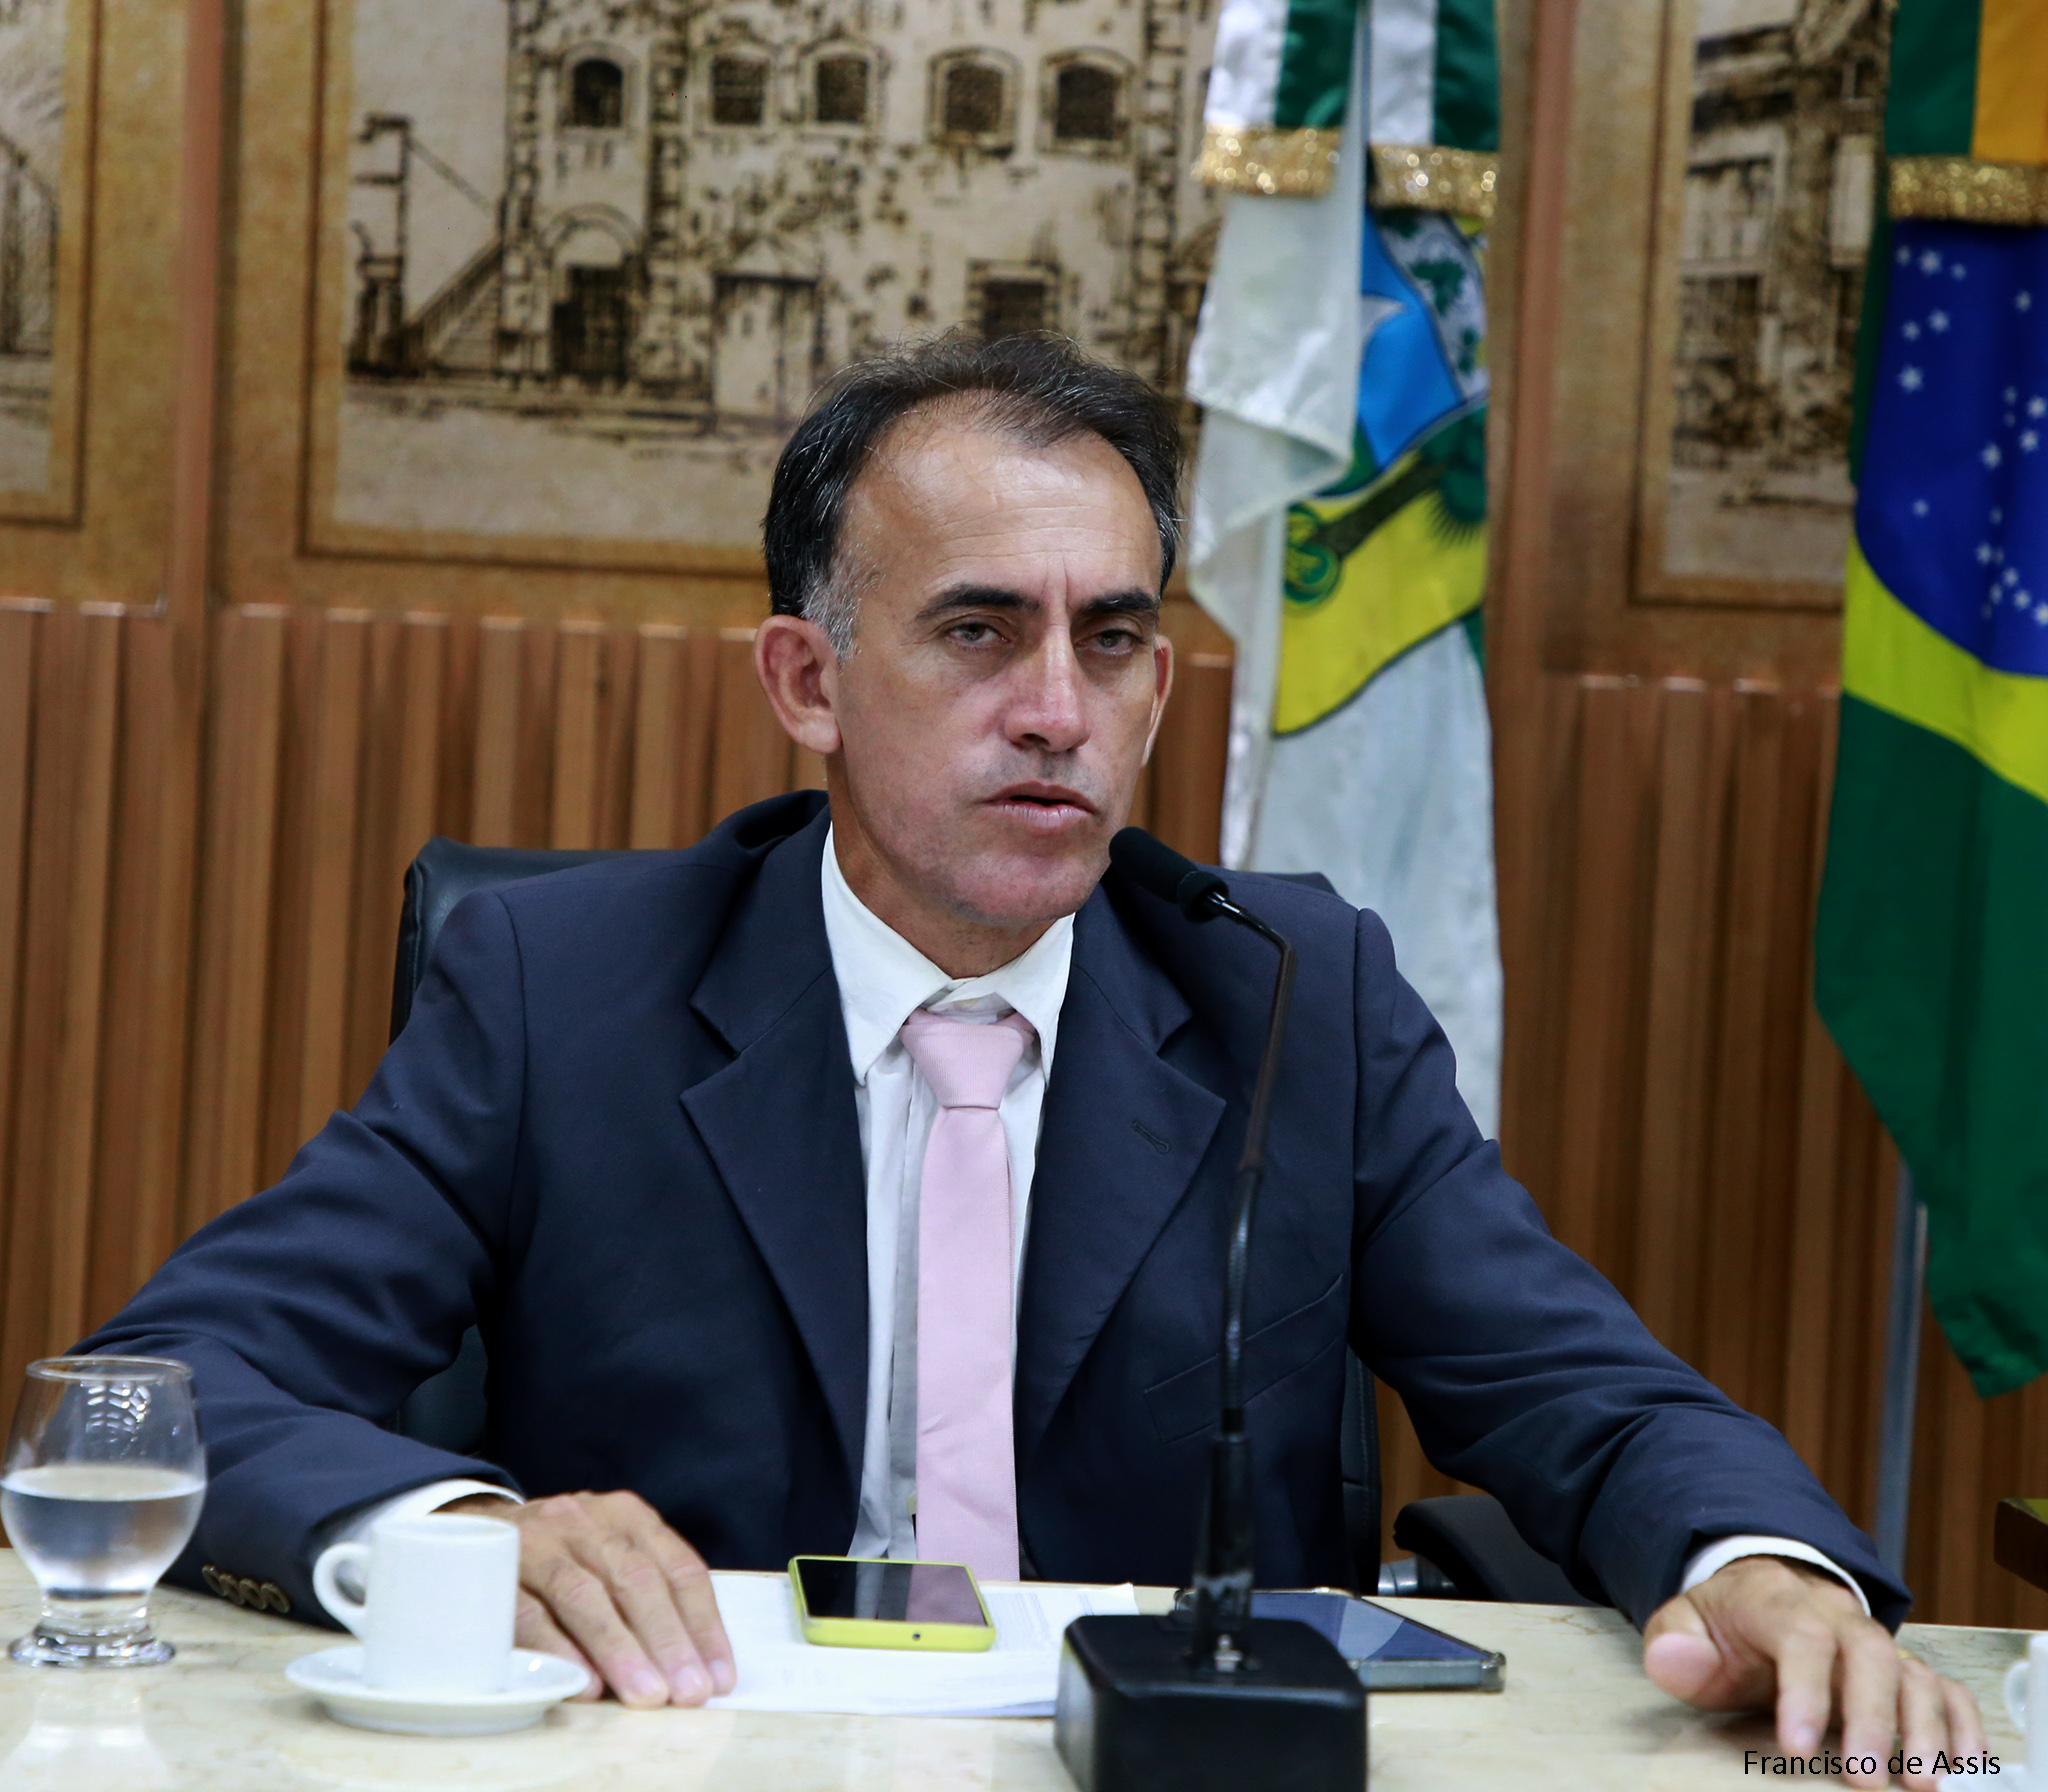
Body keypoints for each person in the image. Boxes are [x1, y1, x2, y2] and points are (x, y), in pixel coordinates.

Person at [87, 334, 1979, 1787]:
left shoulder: (1290, 995)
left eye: (1114, 638)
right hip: (688, 1758)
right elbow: (157, 1392)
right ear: (809, 683)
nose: (1058, 711)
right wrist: (459, 1536)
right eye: (980, 632)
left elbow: (1584, 1391)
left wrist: (1763, 1564)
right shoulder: (560, 991)